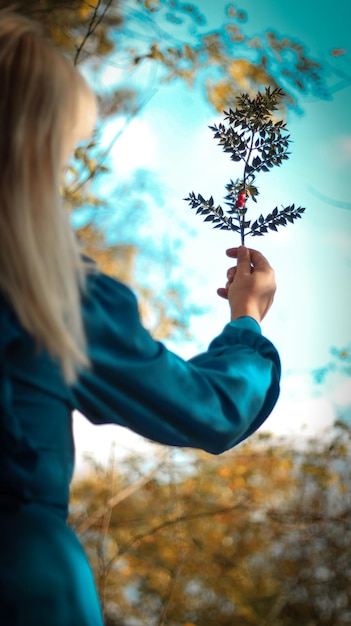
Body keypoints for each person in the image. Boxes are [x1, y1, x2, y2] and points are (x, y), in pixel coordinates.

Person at [0, 10, 281, 626]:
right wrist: (246, 320)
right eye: (66, 152)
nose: (65, 172)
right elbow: (210, 408)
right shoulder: (51, 296)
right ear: (32, 153)